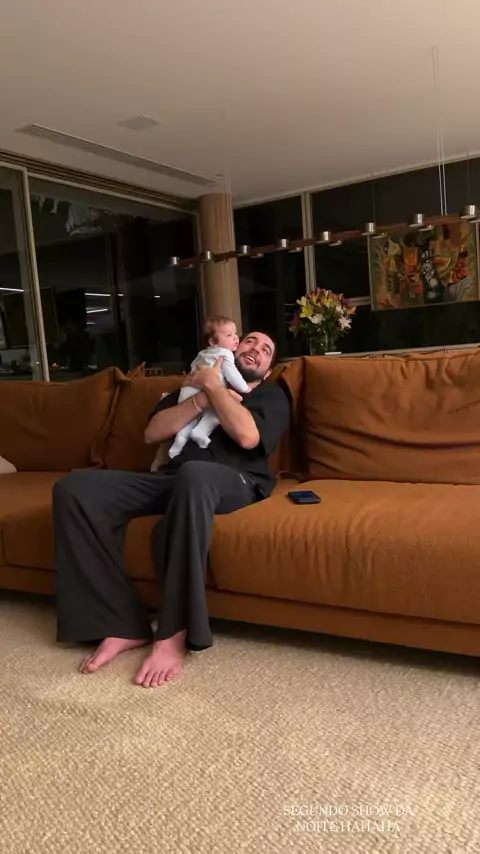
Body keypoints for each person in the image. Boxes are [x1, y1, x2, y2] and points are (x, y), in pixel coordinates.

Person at [53, 331, 290, 688]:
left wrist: (213, 387)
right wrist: (201, 397)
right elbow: (153, 433)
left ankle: (173, 631)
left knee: (195, 474)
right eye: (250, 342)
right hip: (174, 479)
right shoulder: (187, 389)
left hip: (235, 481)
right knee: (75, 489)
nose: (256, 349)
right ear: (230, 348)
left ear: (268, 370)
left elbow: (247, 436)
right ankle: (120, 623)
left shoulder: (270, 395)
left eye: (265, 350)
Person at [159, 315, 250, 464]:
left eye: (235, 333)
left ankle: (178, 443)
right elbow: (233, 375)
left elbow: (193, 367)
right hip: (204, 392)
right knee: (220, 411)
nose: (235, 338)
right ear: (213, 342)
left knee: (190, 419)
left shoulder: (202, 354)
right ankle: (200, 432)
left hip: (188, 390)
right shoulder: (224, 354)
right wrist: (245, 388)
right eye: (229, 335)